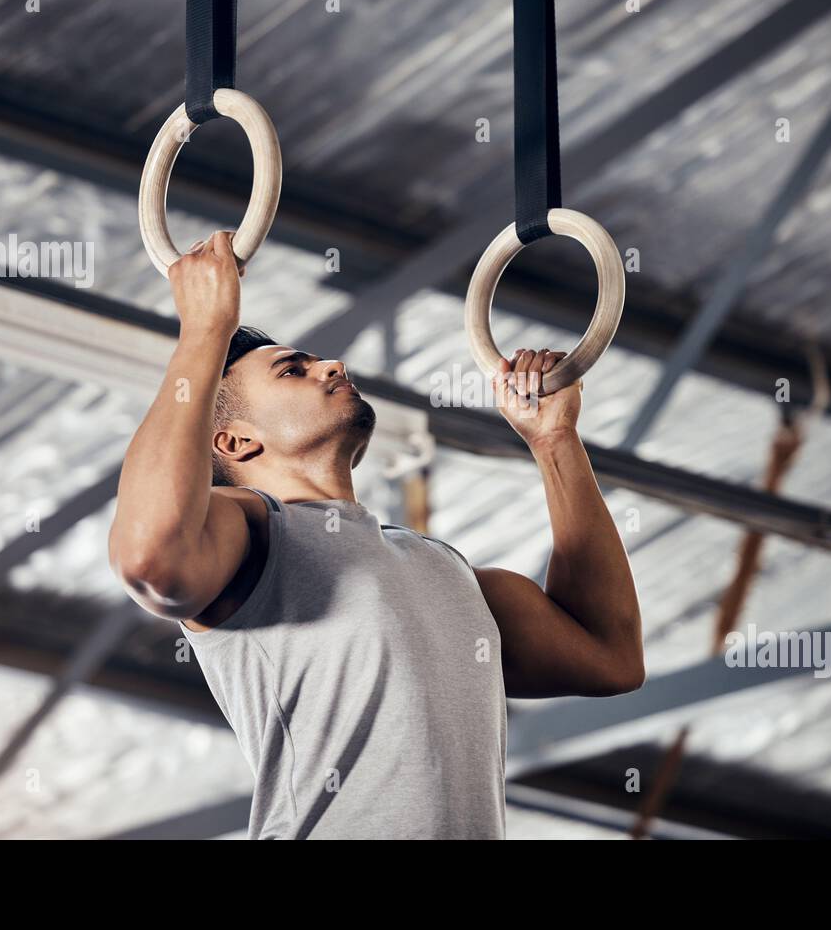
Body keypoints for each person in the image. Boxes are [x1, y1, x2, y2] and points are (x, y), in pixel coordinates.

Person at [108, 231, 643, 839]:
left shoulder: (443, 568)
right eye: (293, 370)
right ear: (234, 442)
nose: (333, 365)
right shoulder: (253, 532)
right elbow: (151, 557)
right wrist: (204, 329)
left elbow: (611, 658)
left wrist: (555, 444)